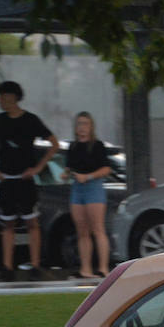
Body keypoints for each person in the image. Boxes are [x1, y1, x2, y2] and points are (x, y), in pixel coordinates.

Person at [0, 80, 59, 280]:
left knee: (32, 222)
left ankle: (35, 266)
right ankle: (7, 267)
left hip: (25, 179)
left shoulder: (31, 120)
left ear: (13, 98)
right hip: (6, 179)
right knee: (8, 224)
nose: (1, 101)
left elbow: (54, 143)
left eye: (4, 97)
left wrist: (38, 168)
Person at [61, 111, 114, 278]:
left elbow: (106, 169)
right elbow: (70, 166)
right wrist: (66, 173)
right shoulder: (73, 147)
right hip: (77, 187)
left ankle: (103, 268)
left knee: (97, 228)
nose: (82, 128)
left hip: (93, 186)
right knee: (82, 230)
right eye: (79, 124)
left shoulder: (98, 146)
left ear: (91, 127)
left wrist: (89, 176)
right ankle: (85, 269)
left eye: (85, 124)